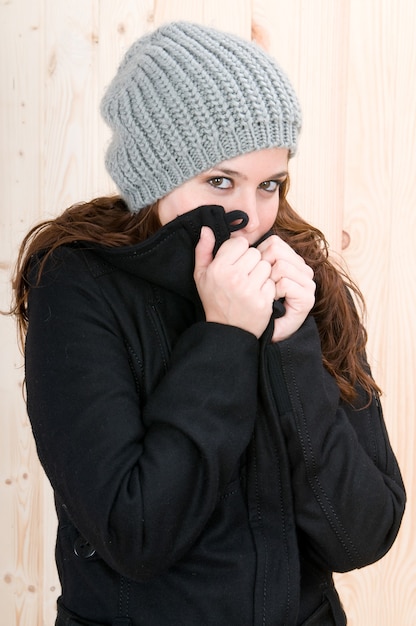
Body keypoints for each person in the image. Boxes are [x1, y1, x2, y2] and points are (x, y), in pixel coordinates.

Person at [12, 21, 405, 626]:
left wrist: (291, 345)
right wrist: (224, 338)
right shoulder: (78, 287)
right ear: (156, 177)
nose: (250, 216)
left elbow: (362, 537)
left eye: (269, 184)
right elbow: (136, 534)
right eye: (220, 181)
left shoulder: (300, 280)